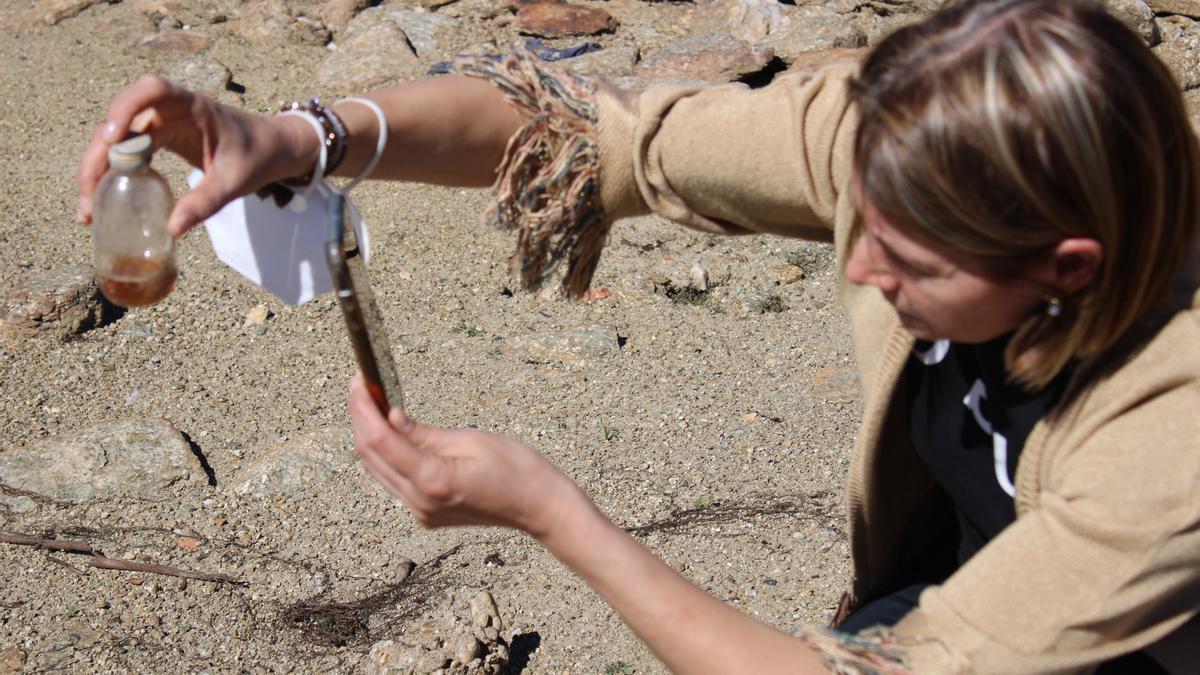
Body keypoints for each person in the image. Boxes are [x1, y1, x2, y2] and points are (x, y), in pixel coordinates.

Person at [77, 0, 1200, 671]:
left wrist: (555, 517)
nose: (856, 265)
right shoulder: (902, 141)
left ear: (1067, 273)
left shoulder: (1172, 439)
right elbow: (585, 135)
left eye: (909, 262)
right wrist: (293, 136)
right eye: (859, 217)